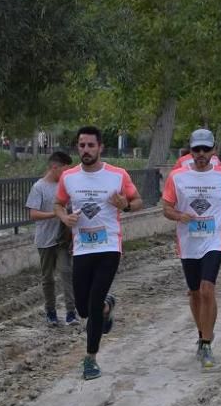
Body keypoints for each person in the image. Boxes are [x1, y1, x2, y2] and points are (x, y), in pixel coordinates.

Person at [55, 126, 143, 380]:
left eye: (90, 145)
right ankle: (106, 306)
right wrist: (64, 217)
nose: (86, 150)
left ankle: (90, 359)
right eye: (82, 146)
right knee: (83, 308)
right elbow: (58, 203)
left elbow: (138, 202)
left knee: (91, 306)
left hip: (109, 247)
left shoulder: (117, 175)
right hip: (82, 248)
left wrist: (125, 205)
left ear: (100, 147)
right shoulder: (69, 177)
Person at [162, 129, 221, 369]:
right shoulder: (177, 177)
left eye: (206, 149)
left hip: (215, 239)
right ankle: (201, 332)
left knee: (207, 289)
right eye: (197, 149)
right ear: (191, 151)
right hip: (188, 241)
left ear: (213, 150)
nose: (202, 154)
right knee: (195, 292)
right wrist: (178, 215)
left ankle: (206, 343)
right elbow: (166, 207)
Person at [25, 151, 76, 327]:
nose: (66, 174)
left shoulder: (66, 186)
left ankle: (71, 312)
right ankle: (51, 312)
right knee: (47, 278)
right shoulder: (38, 187)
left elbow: (70, 209)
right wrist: (54, 214)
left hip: (62, 240)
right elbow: (32, 214)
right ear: (54, 167)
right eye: (64, 170)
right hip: (44, 240)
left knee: (66, 272)